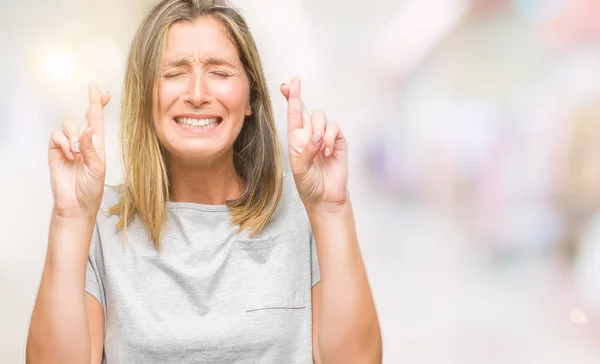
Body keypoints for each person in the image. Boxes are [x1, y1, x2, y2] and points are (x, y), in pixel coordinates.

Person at [26, 0, 382, 363]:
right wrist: (69, 221)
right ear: (146, 96)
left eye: (221, 73)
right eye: (174, 73)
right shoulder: (98, 221)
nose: (197, 94)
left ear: (250, 97)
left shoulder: (305, 211)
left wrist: (331, 211)